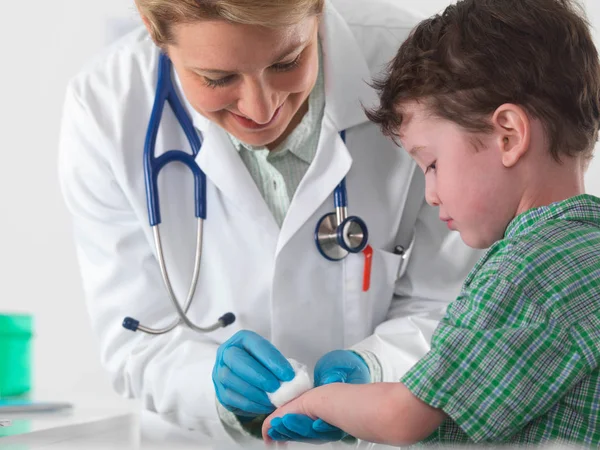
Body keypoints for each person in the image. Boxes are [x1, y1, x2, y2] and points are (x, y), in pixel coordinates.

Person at [57, 0, 481, 444]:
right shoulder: (106, 108)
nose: (261, 109)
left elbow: (455, 298)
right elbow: (136, 338)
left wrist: (377, 367)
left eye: (287, 62)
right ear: (152, 29)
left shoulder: (421, 66)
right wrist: (215, 389)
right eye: (218, 78)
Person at [262, 0, 600, 446]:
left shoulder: (526, 271)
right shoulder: (585, 252)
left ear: (509, 136)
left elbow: (403, 417)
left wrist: (314, 402)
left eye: (432, 163)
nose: (431, 192)